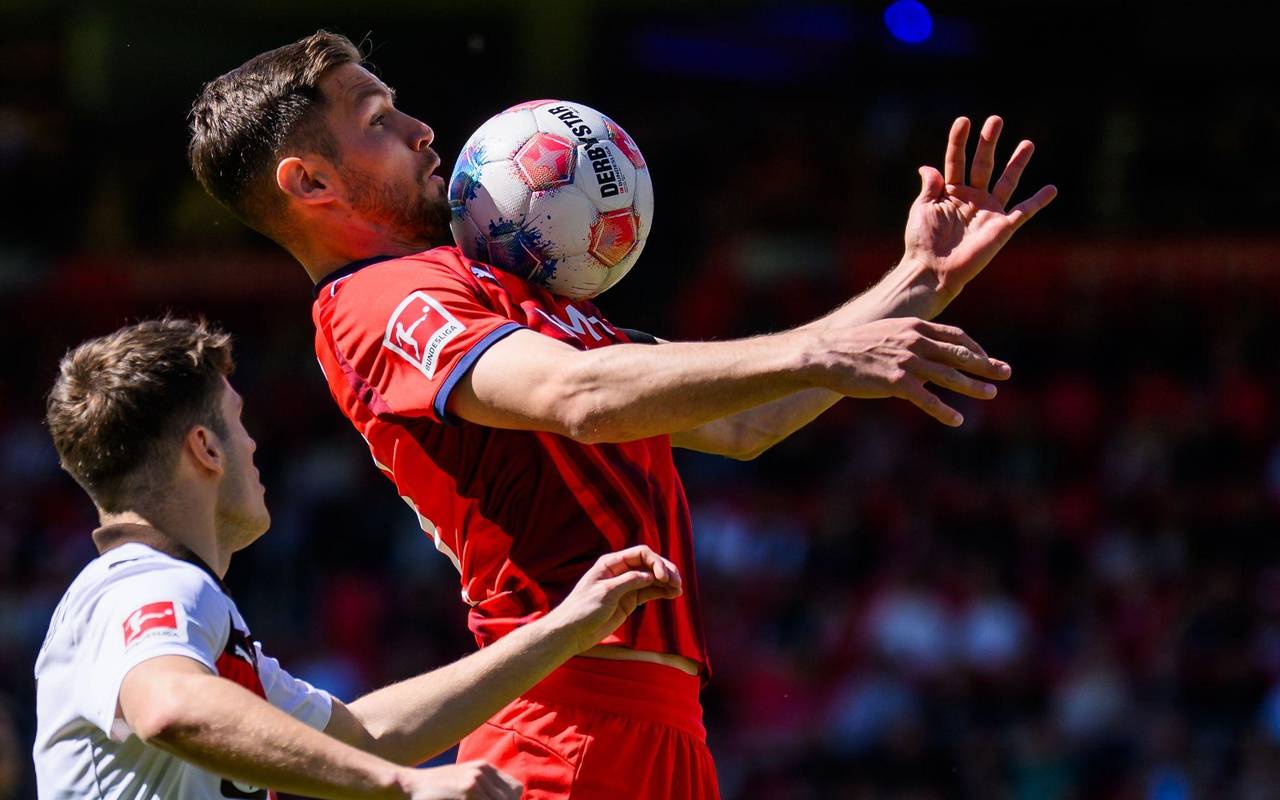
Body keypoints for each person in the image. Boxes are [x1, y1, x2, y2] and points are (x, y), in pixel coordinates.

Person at [187, 31, 1055, 798]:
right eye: (378, 118)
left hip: (665, 727)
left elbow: (744, 423)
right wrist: (818, 350)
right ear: (309, 181)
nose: (422, 131)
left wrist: (920, 282)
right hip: (565, 721)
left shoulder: (497, 287)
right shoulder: (375, 301)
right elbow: (579, 397)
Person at [34, 317, 682, 800]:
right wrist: (402, 787)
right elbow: (172, 706)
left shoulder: (165, 602)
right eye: (239, 423)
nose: (254, 446)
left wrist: (564, 628)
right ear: (206, 448)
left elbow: (359, 736)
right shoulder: (147, 588)